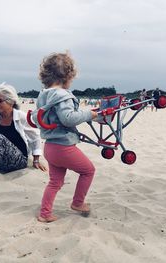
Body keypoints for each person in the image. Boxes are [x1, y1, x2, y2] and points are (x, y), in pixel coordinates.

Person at [34, 52, 99, 223]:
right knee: (88, 170)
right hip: (63, 147)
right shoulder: (63, 96)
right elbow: (68, 118)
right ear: (68, 76)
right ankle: (78, 203)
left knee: (55, 182)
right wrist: (89, 114)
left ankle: (45, 213)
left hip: (49, 147)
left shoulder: (44, 95)